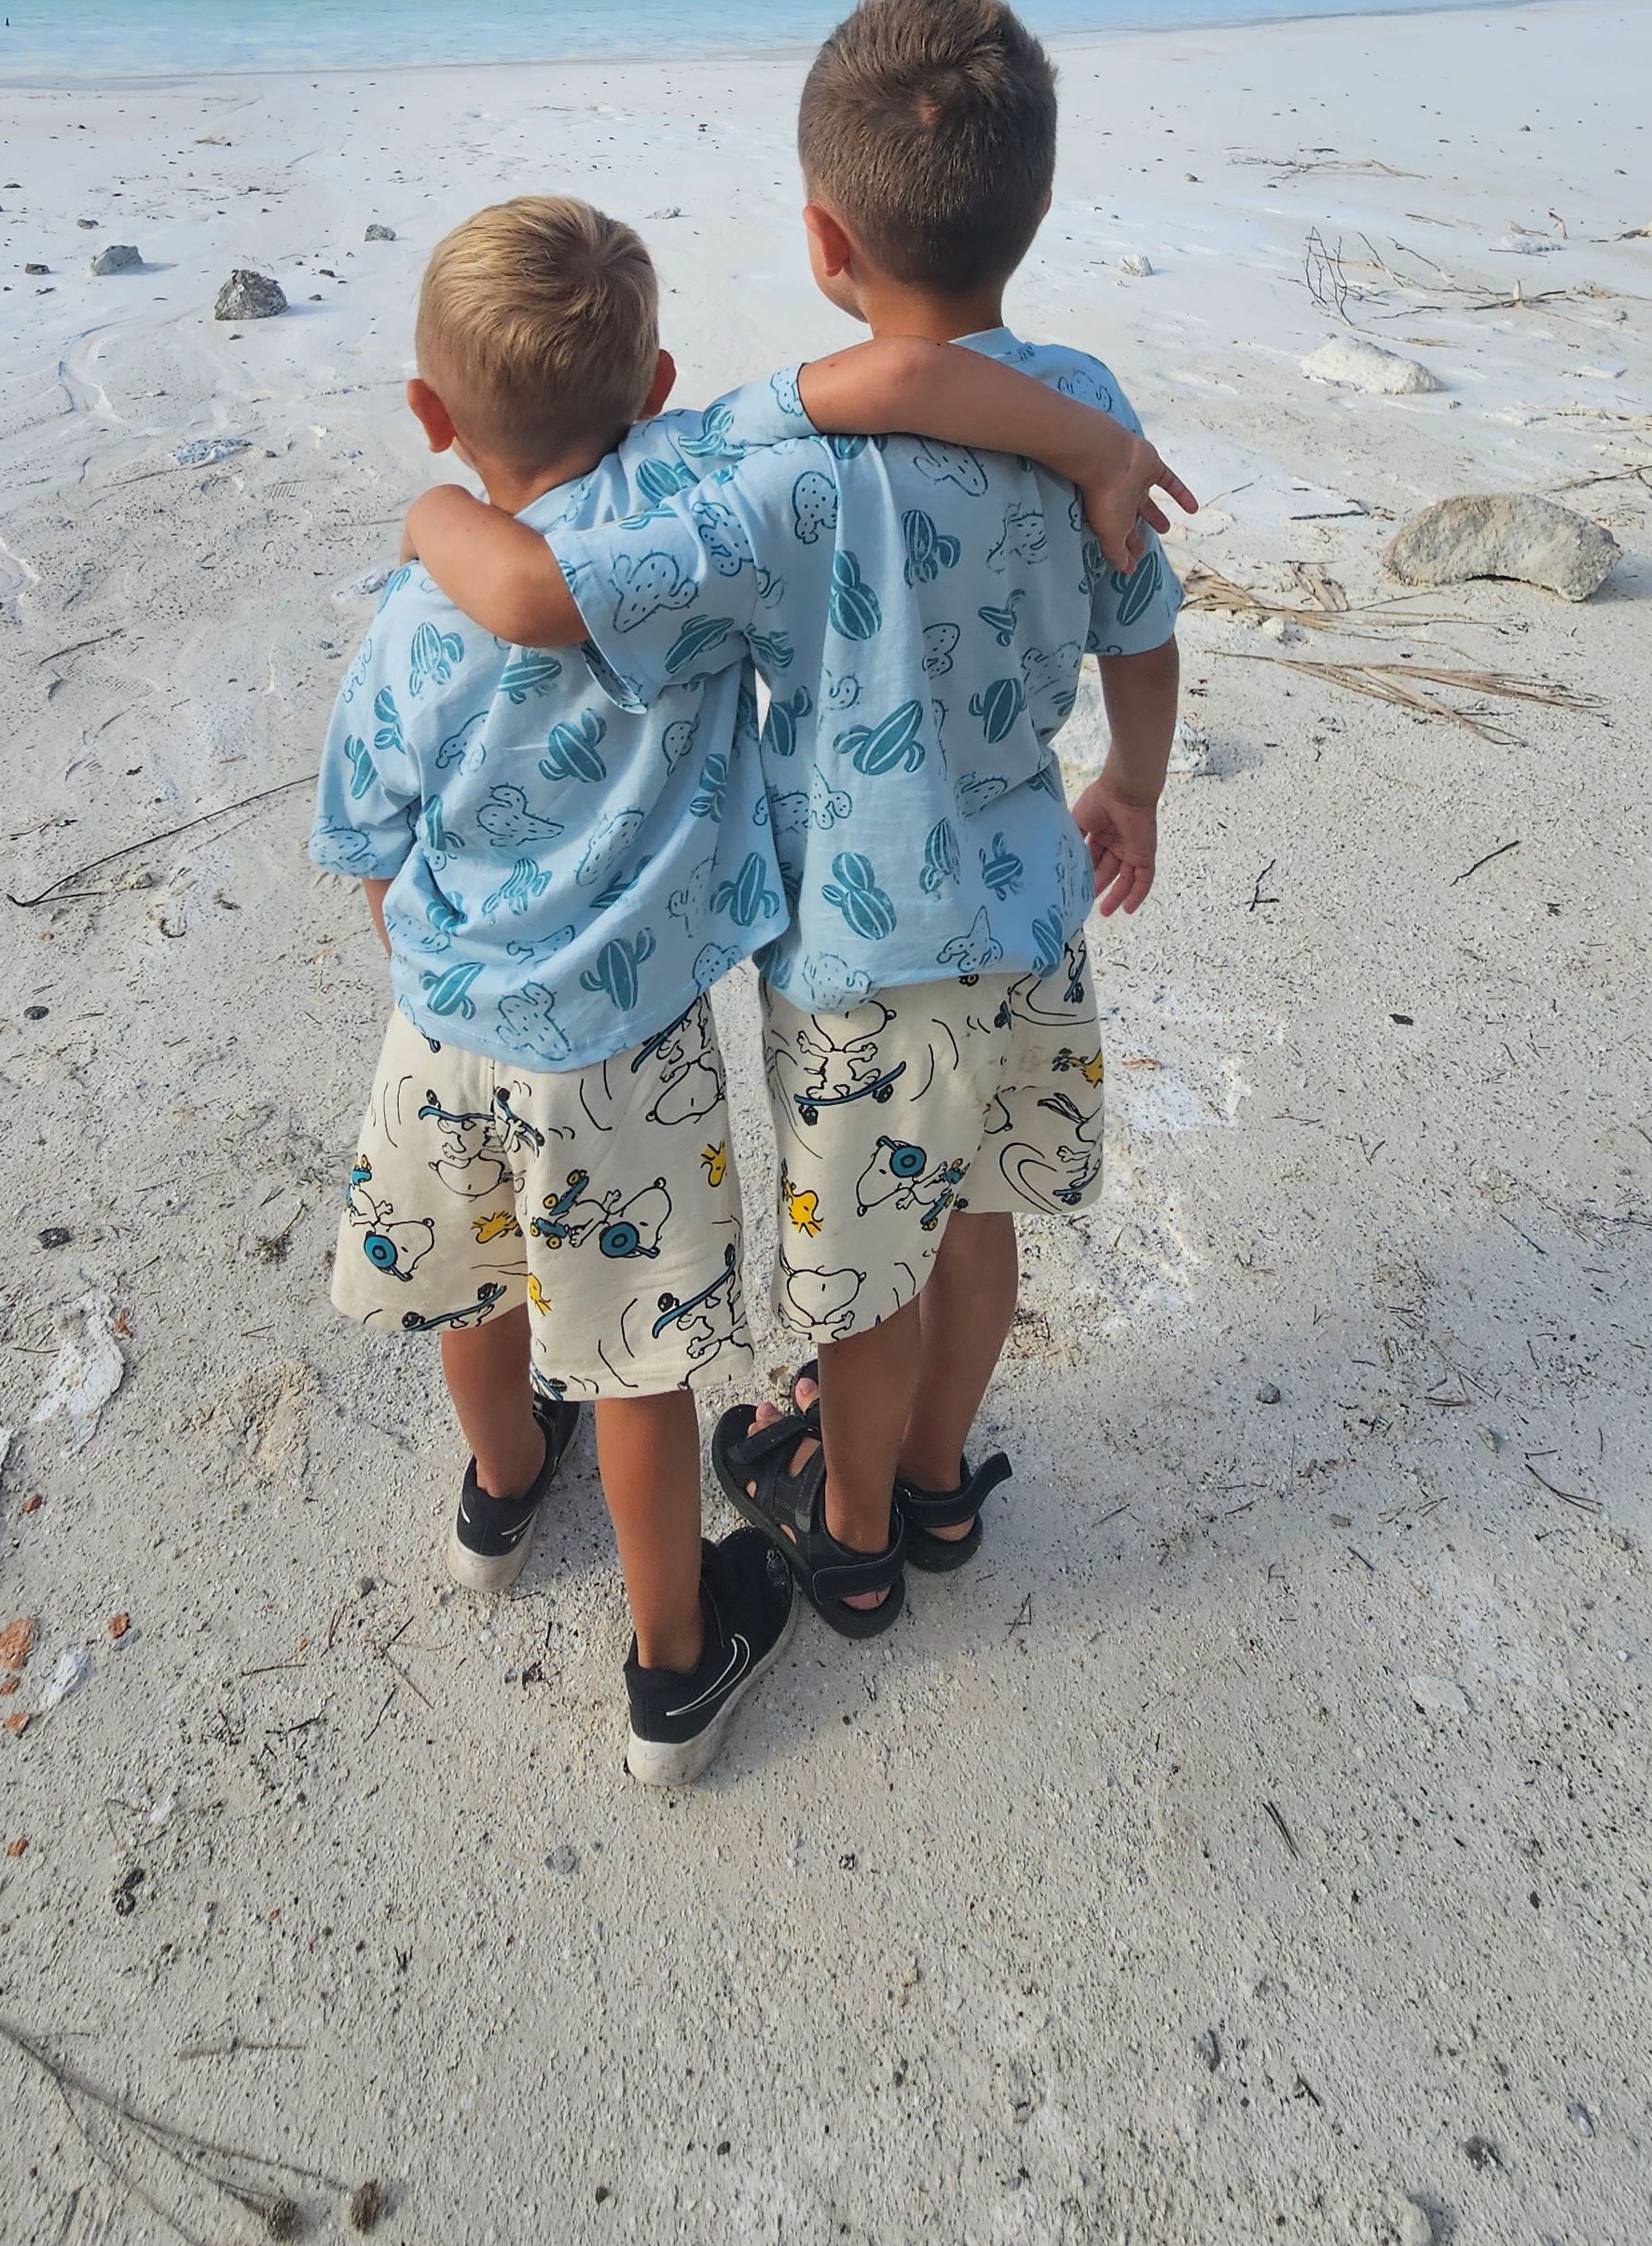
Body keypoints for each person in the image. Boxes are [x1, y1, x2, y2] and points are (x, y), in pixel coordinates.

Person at [320, 183, 1186, 1774]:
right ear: (652, 388)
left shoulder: (672, 528)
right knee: (935, 1235)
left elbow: (381, 818)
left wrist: (424, 519)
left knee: (610, 1282)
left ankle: (553, 1500)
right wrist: (1127, 744)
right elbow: (933, 407)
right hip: (955, 936)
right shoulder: (750, 473)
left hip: (561, 1006)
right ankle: (888, 1521)